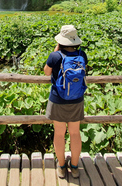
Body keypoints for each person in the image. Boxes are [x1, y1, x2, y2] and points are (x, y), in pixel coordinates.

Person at [44, 25, 88, 179]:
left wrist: (57, 48)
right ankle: (75, 167)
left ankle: (62, 166)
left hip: (58, 99)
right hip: (77, 99)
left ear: (61, 41)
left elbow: (46, 72)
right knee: (75, 133)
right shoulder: (82, 54)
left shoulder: (55, 56)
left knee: (59, 133)